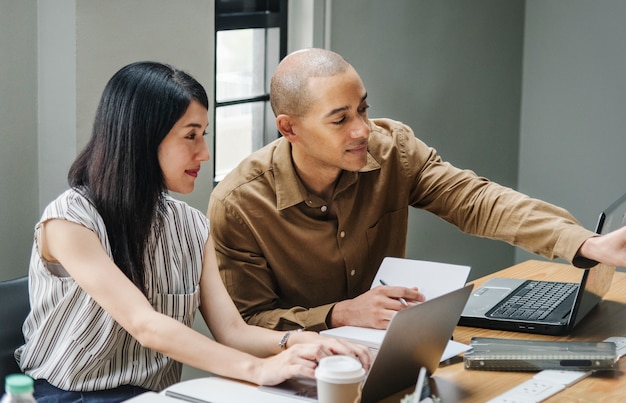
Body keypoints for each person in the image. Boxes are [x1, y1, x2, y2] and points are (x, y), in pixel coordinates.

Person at [15, 61, 371, 402]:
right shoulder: (69, 220)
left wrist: (300, 342)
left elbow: (233, 331)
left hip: (153, 397)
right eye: (191, 136)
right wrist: (259, 370)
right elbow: (145, 325)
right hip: (66, 396)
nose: (204, 153)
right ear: (141, 139)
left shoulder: (191, 225)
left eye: (204, 134)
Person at [208, 48, 626, 332]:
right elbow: (247, 322)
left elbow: (475, 200)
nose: (362, 129)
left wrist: (588, 244)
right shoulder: (239, 203)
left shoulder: (393, 149)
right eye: (340, 120)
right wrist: (337, 315)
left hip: (394, 349)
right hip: (297, 372)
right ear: (289, 128)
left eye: (364, 109)